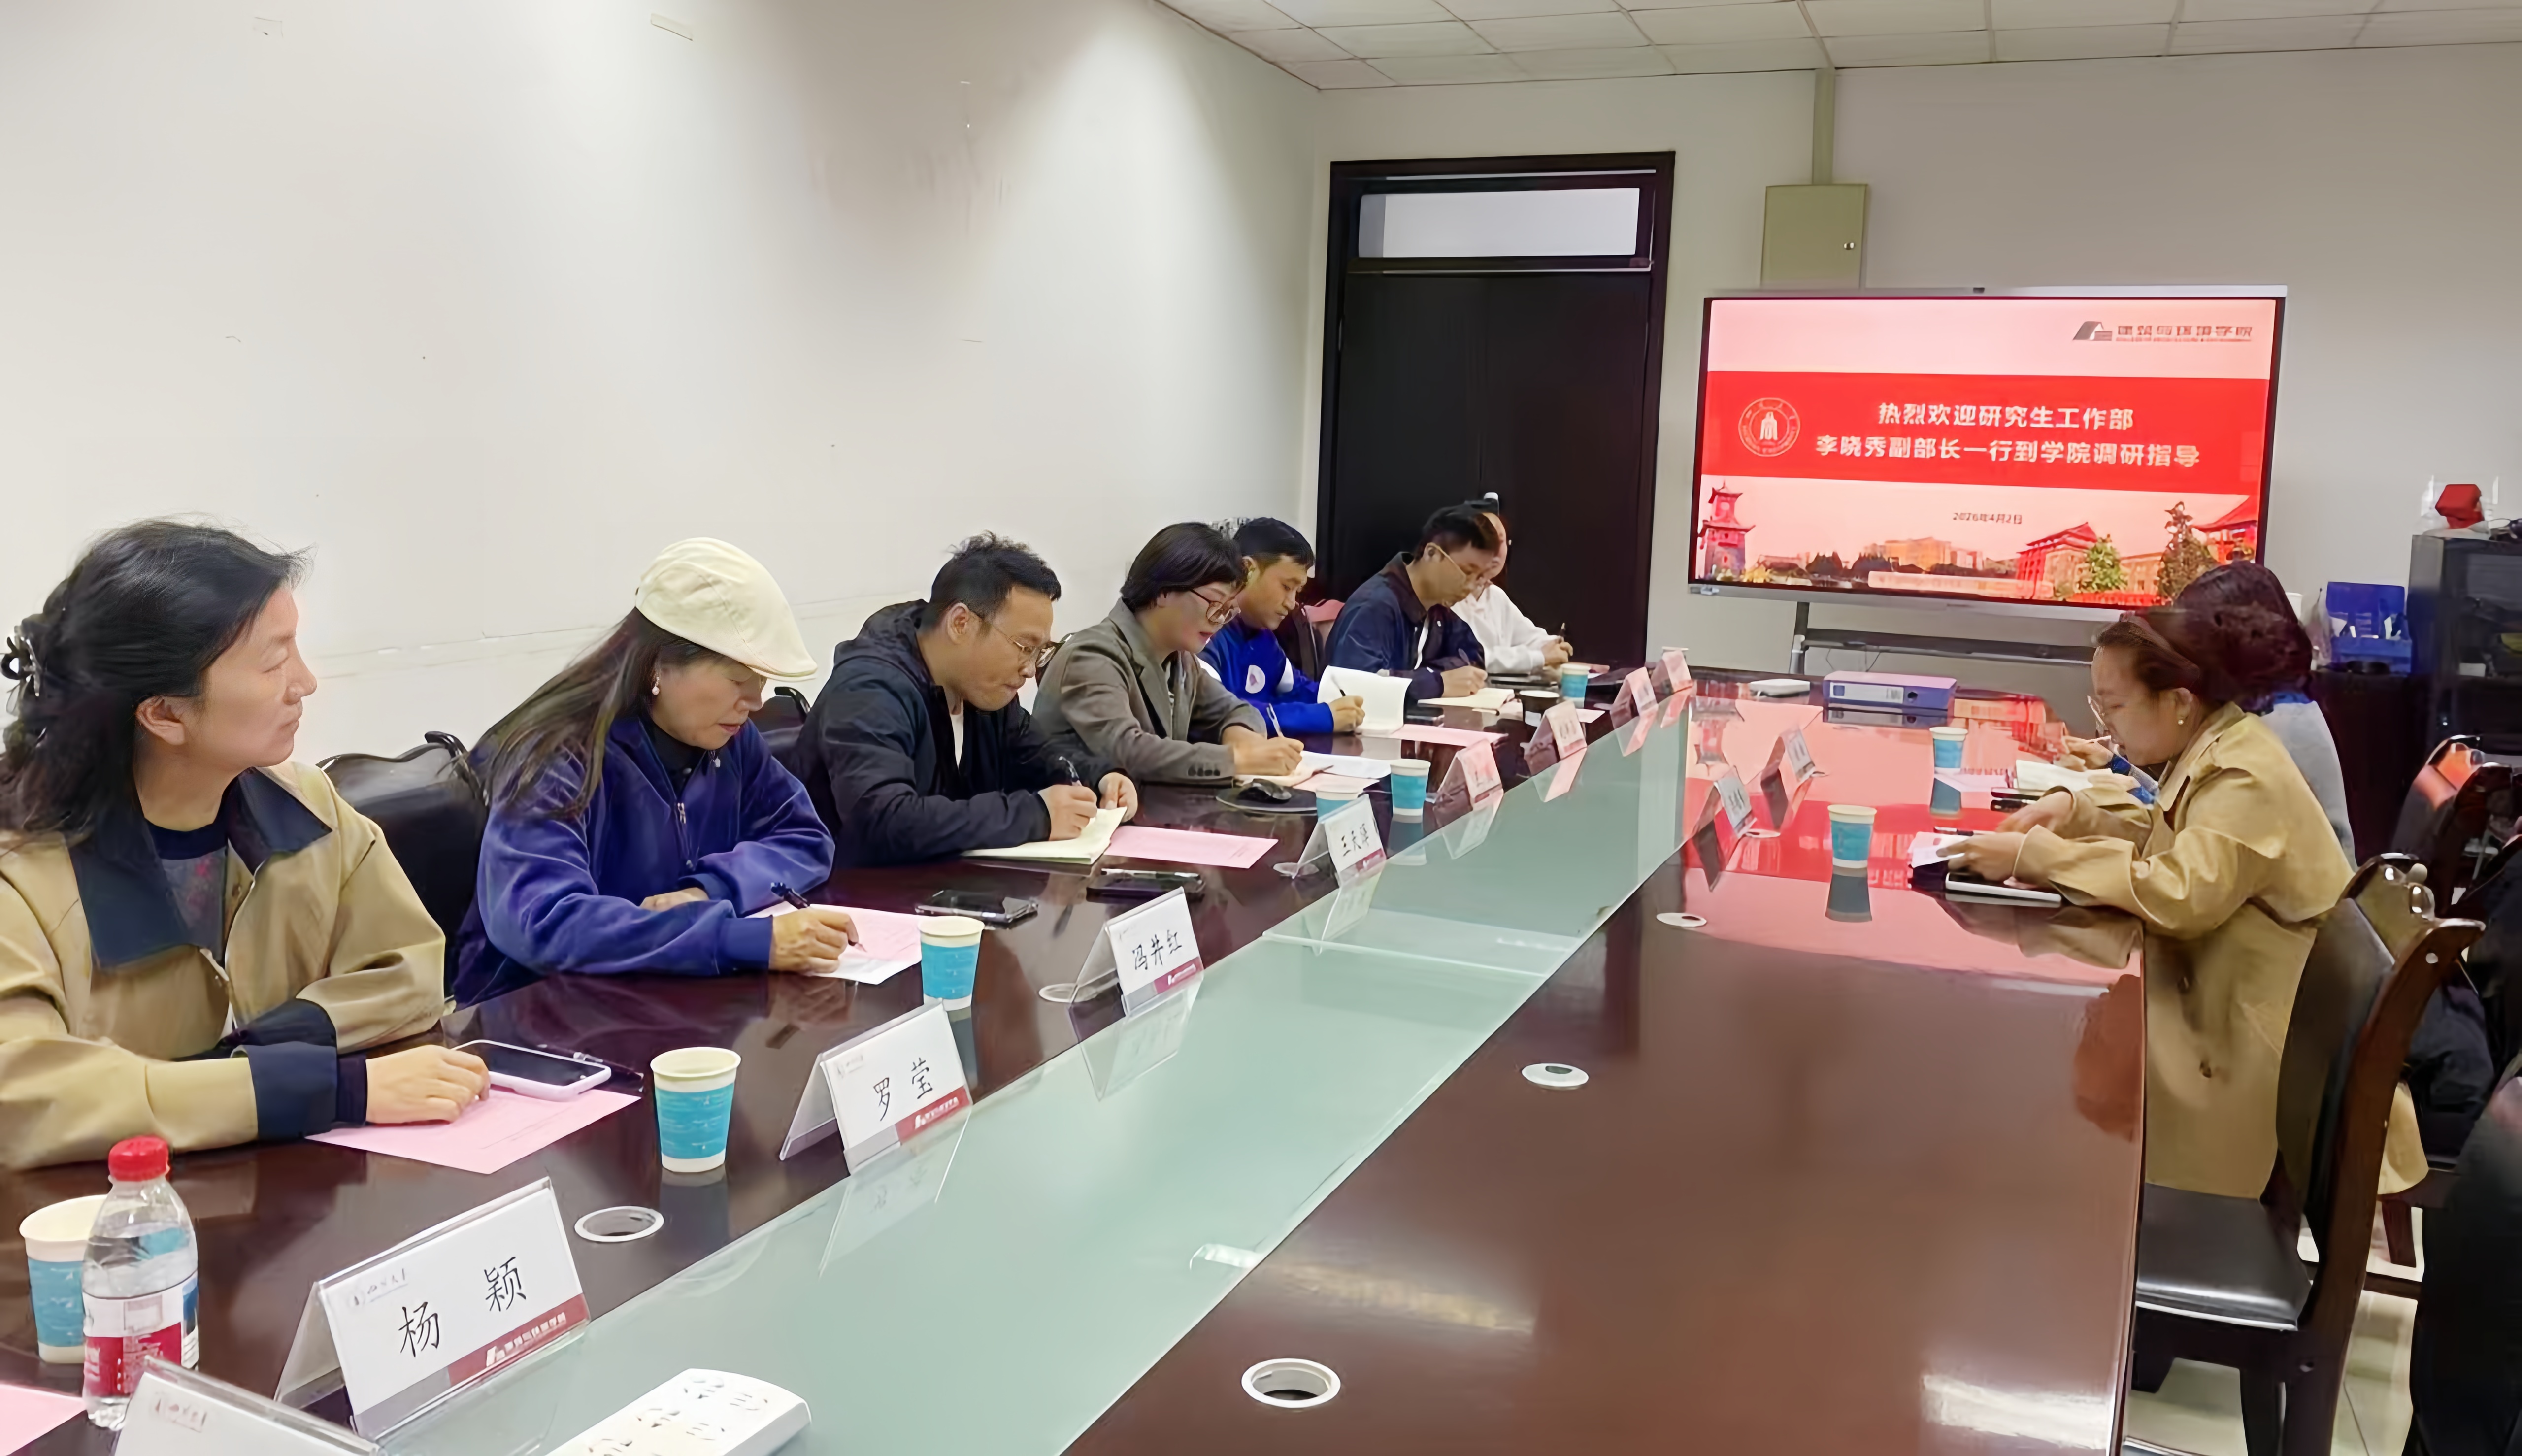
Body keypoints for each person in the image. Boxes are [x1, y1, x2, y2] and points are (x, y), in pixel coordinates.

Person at [0, 522, 478, 1170]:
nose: (304, 682)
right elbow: (27, 1097)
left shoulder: (307, 806)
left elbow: (407, 971)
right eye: (273, 662)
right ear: (165, 713)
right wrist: (322, 1088)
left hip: (276, 1193)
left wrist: (273, 1043)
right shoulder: (21, 877)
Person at [1944, 601, 2415, 1197]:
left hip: (2251, 1048)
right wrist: (2074, 811)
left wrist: (2034, 856)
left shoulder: (2243, 773)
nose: (2105, 725)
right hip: (2224, 1000)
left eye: (2114, 706)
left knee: (2046, 1066)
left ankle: (2069, 1218)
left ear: (2177, 701)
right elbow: (2164, 835)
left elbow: (2181, 893)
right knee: (2055, 1044)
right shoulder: (2216, 744)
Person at [456, 539, 854, 1004]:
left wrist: (708, 890)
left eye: (762, 681)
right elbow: (544, 920)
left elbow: (805, 837)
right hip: (541, 1010)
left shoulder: (729, 738)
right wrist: (738, 939)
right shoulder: (557, 756)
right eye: (738, 679)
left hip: (663, 995)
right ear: (659, 666)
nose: (756, 701)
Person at [796, 534, 1138, 868]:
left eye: (1041, 652)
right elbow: (882, 820)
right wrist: (1034, 815)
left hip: (949, 885)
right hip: (854, 893)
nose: (1030, 669)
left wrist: (1102, 778)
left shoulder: (982, 689)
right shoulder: (870, 691)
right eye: (1024, 647)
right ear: (961, 624)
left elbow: (1040, 755)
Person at [2060, 561, 2353, 860]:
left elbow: (2188, 846)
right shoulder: (2266, 706)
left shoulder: (2268, 728)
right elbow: (2176, 809)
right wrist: (2115, 764)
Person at [1034, 523, 1305, 784]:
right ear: (1164, 591)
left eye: (1226, 611)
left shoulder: (1181, 659)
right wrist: (1237, 759)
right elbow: (1129, 752)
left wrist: (1244, 739)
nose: (1218, 621)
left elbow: (1238, 711)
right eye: (1214, 604)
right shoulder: (1092, 656)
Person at [1200, 518, 1364, 736]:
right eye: (1286, 587)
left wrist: (1344, 700)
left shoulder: (1264, 637)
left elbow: (1298, 690)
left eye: (1297, 591)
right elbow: (1219, 713)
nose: (1292, 603)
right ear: (1247, 570)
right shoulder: (1203, 635)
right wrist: (1322, 717)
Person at [1322, 504, 1498, 705]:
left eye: (1480, 577)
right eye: (1467, 572)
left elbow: (1474, 658)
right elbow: (1353, 689)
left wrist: (1428, 675)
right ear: (1432, 553)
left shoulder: (1437, 608)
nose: (1472, 586)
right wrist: (1437, 682)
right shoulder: (1376, 606)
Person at [1450, 500, 1571, 675]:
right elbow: (1471, 657)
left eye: (1501, 542)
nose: (1495, 552)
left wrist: (1552, 645)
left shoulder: (1495, 595)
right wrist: (1538, 657)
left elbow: (1528, 637)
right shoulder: (1447, 596)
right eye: (1485, 543)